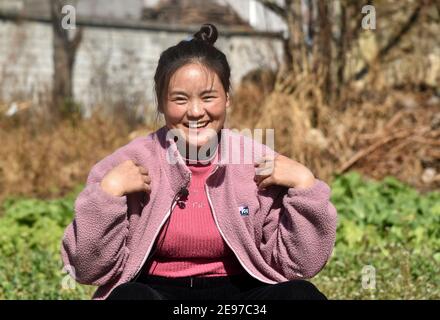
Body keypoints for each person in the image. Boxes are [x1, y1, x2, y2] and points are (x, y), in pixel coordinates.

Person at [61, 24, 337, 300]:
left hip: (239, 299)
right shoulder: (126, 166)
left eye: (208, 97)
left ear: (227, 98)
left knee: (300, 296)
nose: (195, 112)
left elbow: (301, 266)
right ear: (161, 103)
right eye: (180, 99)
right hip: (157, 293)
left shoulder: (259, 163)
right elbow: (87, 270)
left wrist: (305, 186)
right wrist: (108, 194)